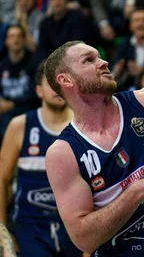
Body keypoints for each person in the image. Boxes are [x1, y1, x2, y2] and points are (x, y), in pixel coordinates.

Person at [43, 41, 144, 256]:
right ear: (65, 80)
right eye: (89, 60)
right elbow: (84, 239)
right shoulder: (63, 153)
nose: (103, 62)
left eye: (100, 57)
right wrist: (137, 191)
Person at [0, 62, 82, 256]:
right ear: (38, 91)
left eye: (63, 82)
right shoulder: (20, 125)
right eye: (51, 83)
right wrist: (2, 231)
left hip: (75, 227)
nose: (58, 88)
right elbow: (2, 180)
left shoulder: (83, 126)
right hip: (31, 227)